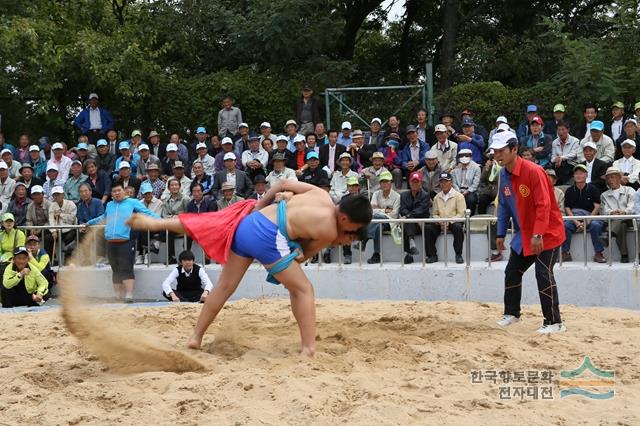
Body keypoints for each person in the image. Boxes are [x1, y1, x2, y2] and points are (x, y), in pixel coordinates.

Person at [127, 179, 372, 356]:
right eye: (351, 230)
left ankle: (195, 337)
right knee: (303, 289)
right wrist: (294, 251)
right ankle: (308, 347)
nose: (348, 234)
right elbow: (302, 256)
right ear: (345, 220)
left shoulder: (320, 194)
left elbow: (281, 183)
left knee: (223, 287)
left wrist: (260, 204)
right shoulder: (330, 229)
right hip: (269, 236)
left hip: (250, 223)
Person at [491, 131, 566, 334]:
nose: (497, 155)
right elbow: (504, 207)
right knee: (512, 271)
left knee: (543, 273)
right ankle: (512, 313)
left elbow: (544, 205)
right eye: (495, 151)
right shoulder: (503, 175)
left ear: (514, 150)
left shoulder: (534, 171)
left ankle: (554, 322)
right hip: (525, 234)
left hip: (547, 233)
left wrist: (538, 234)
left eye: (501, 151)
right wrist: (499, 234)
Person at [86, 182, 160, 301]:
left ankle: (129, 295)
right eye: (114, 191)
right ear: (111, 193)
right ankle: (117, 295)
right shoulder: (109, 204)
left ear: (124, 191)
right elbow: (103, 217)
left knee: (126, 267)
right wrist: (89, 223)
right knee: (115, 268)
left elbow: (147, 212)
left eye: (119, 190)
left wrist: (160, 220)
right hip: (111, 241)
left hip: (126, 240)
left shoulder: (132, 202)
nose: (116, 193)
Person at [561, 164, 605, 263]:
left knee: (596, 225)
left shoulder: (593, 189)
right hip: (575, 217)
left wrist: (587, 221)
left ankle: (598, 253)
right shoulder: (569, 190)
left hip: (590, 216)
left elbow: (597, 207)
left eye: (581, 173)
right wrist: (576, 222)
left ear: (586, 175)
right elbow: (567, 208)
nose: (578, 175)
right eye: (576, 173)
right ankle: (565, 253)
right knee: (565, 226)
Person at [425, 172, 466, 264]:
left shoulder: (459, 196)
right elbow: (434, 214)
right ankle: (432, 255)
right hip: (440, 222)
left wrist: (449, 221)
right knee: (428, 228)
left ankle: (458, 254)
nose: (444, 184)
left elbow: (461, 214)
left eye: (446, 181)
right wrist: (440, 221)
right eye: (442, 182)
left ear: (451, 182)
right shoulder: (437, 197)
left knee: (458, 228)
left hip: (454, 221)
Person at [599, 167, 635, 263]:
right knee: (621, 225)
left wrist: (624, 212)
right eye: (608, 178)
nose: (610, 180)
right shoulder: (604, 195)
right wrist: (611, 212)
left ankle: (608, 234)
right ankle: (624, 255)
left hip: (630, 218)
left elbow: (633, 206)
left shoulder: (629, 190)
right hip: (615, 221)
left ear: (619, 178)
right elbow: (604, 210)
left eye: (613, 177)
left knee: (621, 219)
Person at [363, 171, 399, 264]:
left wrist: (379, 210)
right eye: (382, 181)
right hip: (378, 222)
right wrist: (385, 210)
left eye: (387, 181)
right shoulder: (376, 194)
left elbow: (394, 214)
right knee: (378, 225)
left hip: (390, 223)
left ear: (391, 182)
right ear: (380, 183)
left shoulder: (397, 196)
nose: (385, 184)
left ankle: (365, 238)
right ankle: (377, 254)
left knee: (377, 216)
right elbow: (372, 211)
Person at [400, 172, 430, 261]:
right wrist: (409, 217)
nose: (414, 184)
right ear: (409, 182)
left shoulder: (425, 195)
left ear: (420, 183)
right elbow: (402, 209)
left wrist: (408, 216)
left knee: (407, 221)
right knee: (407, 222)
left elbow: (421, 211)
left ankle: (407, 254)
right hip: (410, 223)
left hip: (421, 224)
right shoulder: (404, 195)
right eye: (413, 182)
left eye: (417, 182)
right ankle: (411, 243)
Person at [49, 186, 78, 258]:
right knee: (48, 238)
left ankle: (68, 260)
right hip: (58, 230)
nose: (56, 196)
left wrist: (61, 215)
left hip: (70, 228)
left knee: (69, 238)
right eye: (54, 195)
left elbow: (71, 219)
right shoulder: (52, 206)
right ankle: (52, 259)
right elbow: (51, 219)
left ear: (63, 195)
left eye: (58, 194)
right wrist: (53, 231)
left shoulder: (71, 204)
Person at [451, 148, 481, 215]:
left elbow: (475, 184)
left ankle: (471, 218)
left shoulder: (477, 168)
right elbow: (454, 182)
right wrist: (458, 192)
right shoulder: (455, 168)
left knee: (471, 200)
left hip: (470, 191)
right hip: (458, 190)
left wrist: (467, 192)